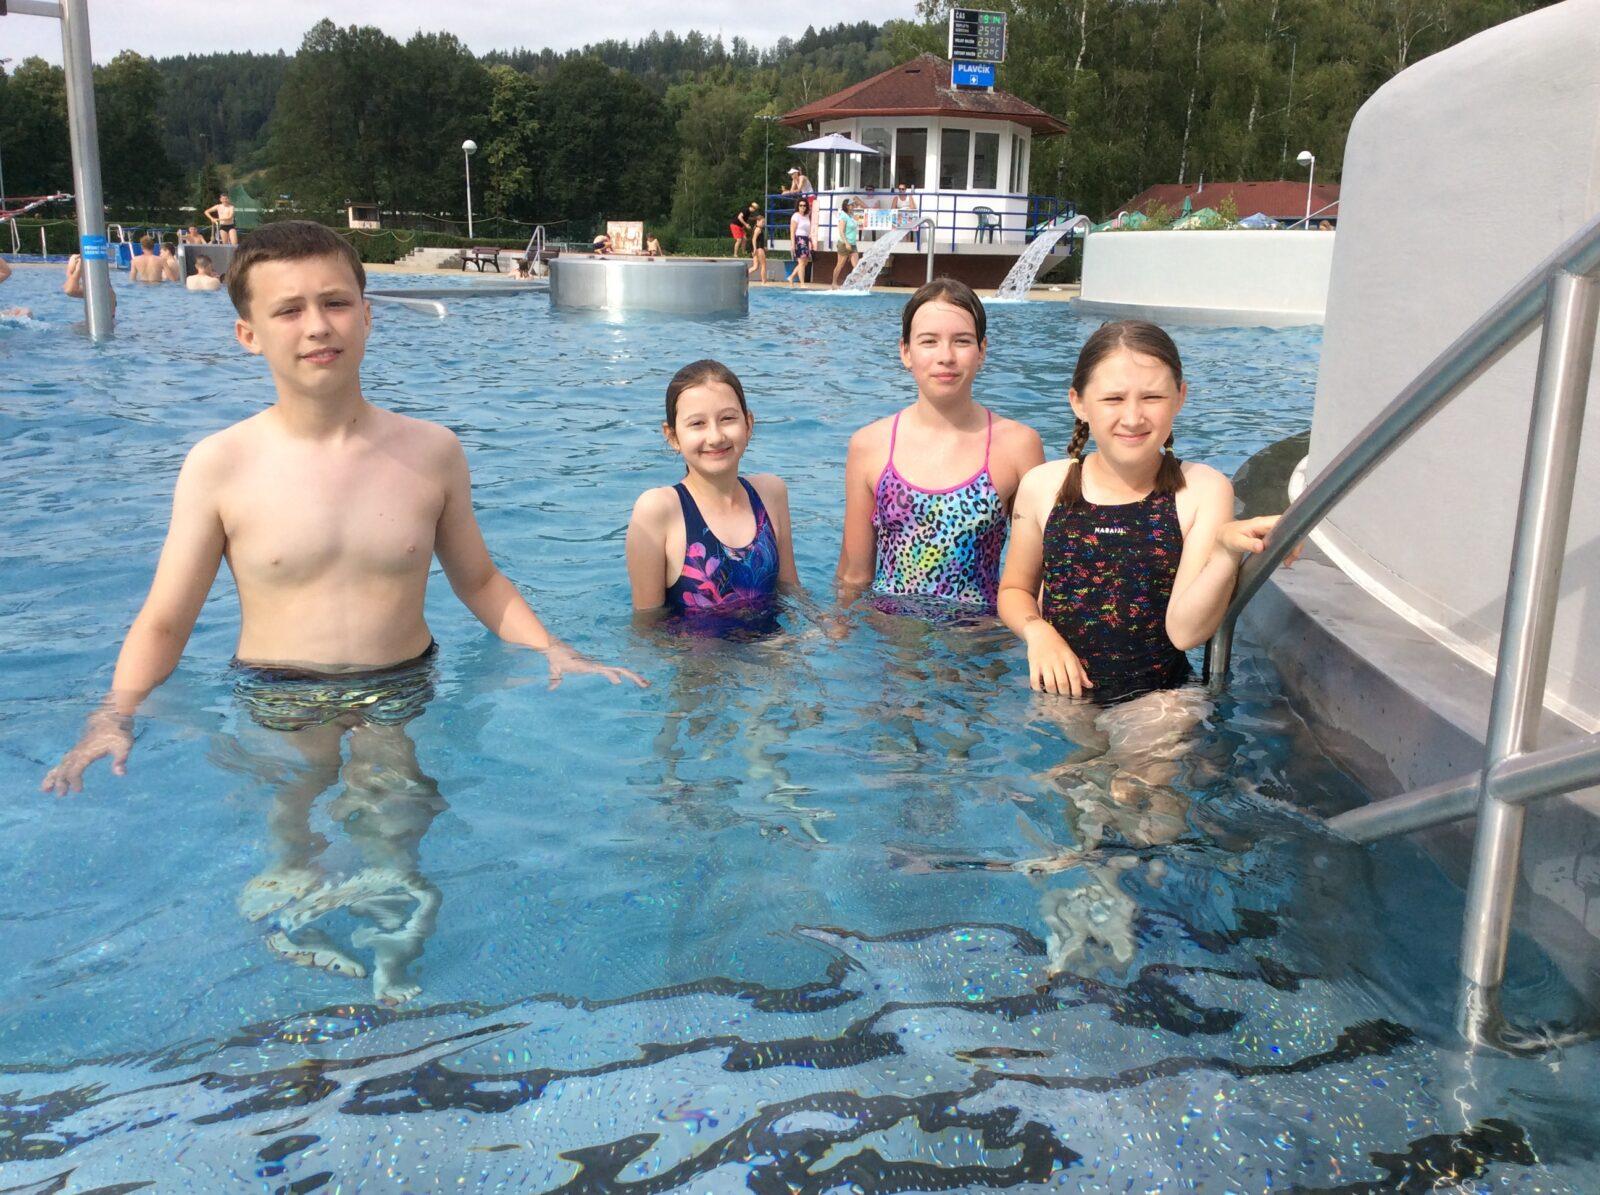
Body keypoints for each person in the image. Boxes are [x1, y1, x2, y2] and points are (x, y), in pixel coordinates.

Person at [42, 219, 644, 797]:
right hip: (278, 690)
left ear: (367, 315)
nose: (317, 326)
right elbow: (166, 620)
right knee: (291, 834)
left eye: (335, 303)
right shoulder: (220, 465)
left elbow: (480, 581)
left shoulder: (433, 451)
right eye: (288, 310)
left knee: (399, 824)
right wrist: (113, 715)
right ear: (249, 335)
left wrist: (551, 647)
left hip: (401, 682)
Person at [997, 319, 1286, 703]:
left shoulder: (1201, 489)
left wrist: (1224, 554)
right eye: (1113, 399)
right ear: (1079, 402)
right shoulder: (1043, 486)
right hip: (1061, 694)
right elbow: (1015, 590)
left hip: (1159, 701)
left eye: (1152, 397)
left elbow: (1184, 633)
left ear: (1180, 397)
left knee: (1160, 733)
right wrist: (1038, 633)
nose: (1133, 418)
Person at [837, 279, 1046, 611]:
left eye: (962, 341)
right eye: (929, 341)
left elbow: (1038, 578)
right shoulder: (869, 445)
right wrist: (837, 633)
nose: (946, 356)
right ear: (906, 352)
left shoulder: (1018, 445)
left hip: (977, 635)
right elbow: (854, 575)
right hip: (891, 633)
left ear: (982, 351)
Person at [626, 359, 798, 616]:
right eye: (697, 423)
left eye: (727, 418)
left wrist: (822, 628)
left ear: (749, 424)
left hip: (776, 641)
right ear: (672, 436)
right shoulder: (659, 510)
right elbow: (647, 625)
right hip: (693, 644)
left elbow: (791, 592)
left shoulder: (771, 492)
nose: (716, 437)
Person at [831, 199, 862, 287]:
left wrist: (858, 203)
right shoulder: (843, 216)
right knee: (840, 265)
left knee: (856, 265)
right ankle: (834, 283)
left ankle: (857, 284)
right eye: (850, 205)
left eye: (852, 205)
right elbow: (841, 232)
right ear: (846, 206)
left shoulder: (851, 215)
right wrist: (846, 243)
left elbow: (859, 211)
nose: (852, 206)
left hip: (853, 244)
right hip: (844, 243)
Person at [787, 197, 813, 286]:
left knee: (805, 262)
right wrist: (793, 244)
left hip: (806, 239)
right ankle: (802, 283)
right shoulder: (795, 216)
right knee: (801, 262)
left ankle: (791, 277)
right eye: (800, 205)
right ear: (798, 206)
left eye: (804, 205)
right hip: (799, 239)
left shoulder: (807, 216)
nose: (802, 207)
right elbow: (792, 231)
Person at [746, 213, 767, 283]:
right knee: (763, 265)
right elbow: (754, 239)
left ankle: (743, 275)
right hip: (759, 249)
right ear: (758, 221)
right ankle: (764, 282)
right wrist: (755, 248)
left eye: (764, 222)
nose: (763, 223)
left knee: (755, 267)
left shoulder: (756, 228)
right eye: (762, 222)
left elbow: (758, 240)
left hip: (757, 249)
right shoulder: (758, 229)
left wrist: (762, 247)